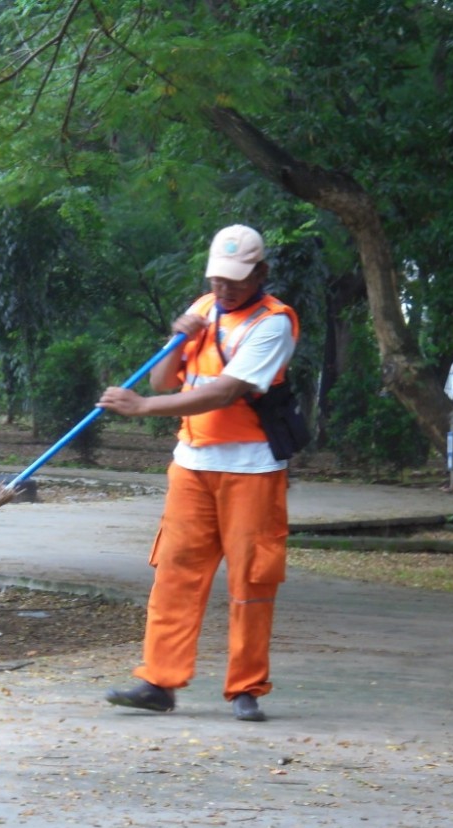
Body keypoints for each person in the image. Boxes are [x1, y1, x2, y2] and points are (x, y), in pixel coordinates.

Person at [96, 225, 298, 722]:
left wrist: (142, 408)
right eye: (217, 279)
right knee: (175, 574)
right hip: (192, 465)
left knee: (251, 577)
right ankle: (158, 683)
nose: (224, 289)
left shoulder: (274, 324)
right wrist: (177, 340)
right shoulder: (202, 309)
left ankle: (246, 687)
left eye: (236, 279)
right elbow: (166, 378)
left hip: (251, 469)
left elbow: (224, 393)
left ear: (261, 273)